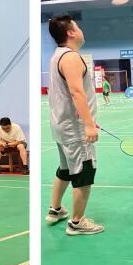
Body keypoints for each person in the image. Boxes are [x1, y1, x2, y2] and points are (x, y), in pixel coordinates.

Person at [46, 15, 104, 235]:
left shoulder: (57, 56)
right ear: (70, 33)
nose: (81, 30)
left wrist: (88, 118)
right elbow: (76, 92)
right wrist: (88, 125)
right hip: (74, 129)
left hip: (62, 125)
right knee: (84, 170)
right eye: (77, 27)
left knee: (66, 168)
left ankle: (55, 210)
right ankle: (77, 223)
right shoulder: (70, 57)